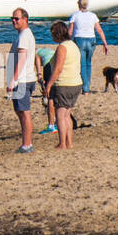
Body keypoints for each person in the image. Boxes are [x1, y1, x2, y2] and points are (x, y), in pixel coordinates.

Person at [44, 21, 83, 149]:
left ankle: (62, 143)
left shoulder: (62, 47)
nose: (52, 37)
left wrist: (49, 84)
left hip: (64, 84)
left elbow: (58, 68)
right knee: (67, 115)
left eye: (53, 34)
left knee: (60, 115)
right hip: (76, 83)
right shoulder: (73, 45)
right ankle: (69, 143)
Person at [6, 7, 39, 153]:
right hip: (25, 78)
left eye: (16, 18)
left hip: (23, 80)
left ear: (25, 19)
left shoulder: (25, 35)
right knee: (20, 111)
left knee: (24, 112)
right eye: (12, 18)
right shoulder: (24, 34)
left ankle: (27, 144)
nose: (14, 21)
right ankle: (26, 143)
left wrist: (13, 80)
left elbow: (22, 58)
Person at [68, 0, 109, 94]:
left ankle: (85, 88)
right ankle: (87, 86)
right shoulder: (93, 15)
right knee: (88, 63)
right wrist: (105, 42)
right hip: (91, 39)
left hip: (79, 39)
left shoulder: (75, 15)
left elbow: (70, 31)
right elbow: (99, 29)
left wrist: (68, 41)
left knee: (82, 64)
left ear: (79, 4)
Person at [36, 43, 58, 135]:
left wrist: (39, 74)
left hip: (48, 65)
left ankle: (51, 125)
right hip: (56, 64)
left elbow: (37, 63)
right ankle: (58, 123)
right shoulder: (45, 51)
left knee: (50, 97)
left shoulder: (35, 53)